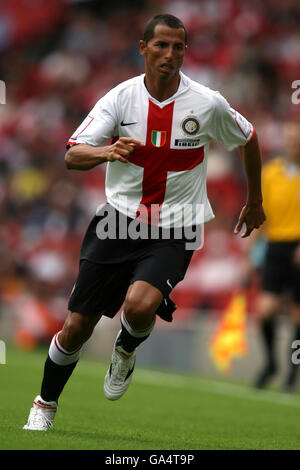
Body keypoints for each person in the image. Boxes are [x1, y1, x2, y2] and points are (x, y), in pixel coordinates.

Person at [23, 14, 265, 431]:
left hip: (176, 227)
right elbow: (72, 154)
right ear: (143, 48)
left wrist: (255, 199)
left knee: (138, 306)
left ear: (185, 51)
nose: (169, 54)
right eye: (161, 46)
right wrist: (107, 151)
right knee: (77, 326)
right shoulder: (119, 99)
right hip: (118, 222)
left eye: (178, 46)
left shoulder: (207, 102)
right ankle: (45, 403)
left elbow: (248, 137)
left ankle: (126, 348)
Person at [245, 120, 300, 391]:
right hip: (276, 246)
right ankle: (271, 364)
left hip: (298, 245)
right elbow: (260, 213)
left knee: (297, 315)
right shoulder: (270, 173)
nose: (294, 144)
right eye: (290, 139)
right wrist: (249, 253)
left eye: (297, 140)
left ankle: (293, 371)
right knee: (265, 310)